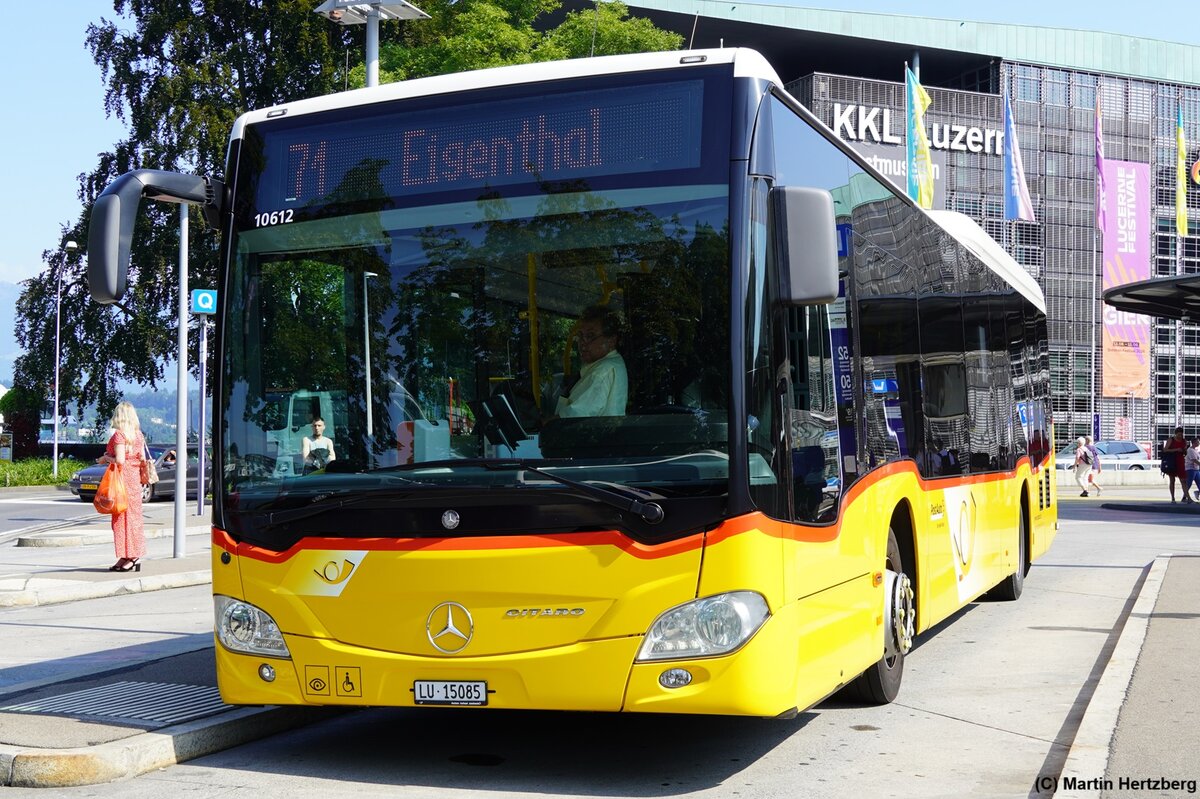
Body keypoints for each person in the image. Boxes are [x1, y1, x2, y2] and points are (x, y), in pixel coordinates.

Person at [96, 401, 146, 572]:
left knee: (120, 519)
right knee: (133, 519)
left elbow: (120, 460)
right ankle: (129, 555)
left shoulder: (119, 435)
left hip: (121, 481)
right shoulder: (138, 435)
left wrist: (105, 458)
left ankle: (131, 556)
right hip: (134, 481)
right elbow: (142, 458)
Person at [554, 305, 628, 418]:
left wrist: (545, 423)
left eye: (590, 336)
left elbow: (574, 417)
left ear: (611, 341)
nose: (582, 343)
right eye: (580, 336)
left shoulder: (602, 371)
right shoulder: (611, 363)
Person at [1163, 427, 1188, 502]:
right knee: (1172, 480)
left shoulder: (1184, 441)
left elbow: (1185, 452)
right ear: (1175, 434)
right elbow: (1165, 450)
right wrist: (1176, 449)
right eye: (1178, 434)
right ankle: (1173, 498)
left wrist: (1184, 450)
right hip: (1172, 461)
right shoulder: (1171, 440)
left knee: (1183, 480)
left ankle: (1187, 497)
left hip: (1180, 460)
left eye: (1181, 434)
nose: (1180, 436)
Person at [1185, 437, 1200, 504]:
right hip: (1190, 469)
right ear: (1194, 443)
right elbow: (1194, 460)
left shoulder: (1195, 450)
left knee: (1199, 482)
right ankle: (1185, 497)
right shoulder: (1190, 450)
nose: (1199, 443)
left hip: (1196, 469)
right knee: (1188, 483)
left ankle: (1197, 492)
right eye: (1197, 442)